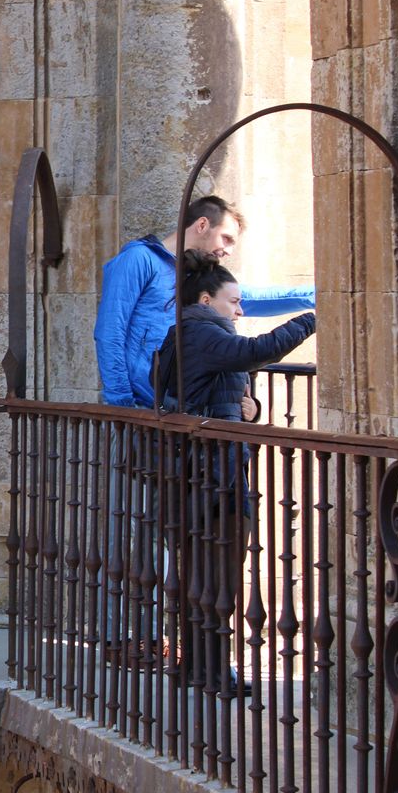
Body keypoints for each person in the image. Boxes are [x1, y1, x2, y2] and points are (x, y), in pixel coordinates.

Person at [153, 250, 317, 695]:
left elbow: (219, 395)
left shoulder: (190, 334)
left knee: (202, 575)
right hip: (212, 475)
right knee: (218, 576)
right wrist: (310, 319)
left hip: (200, 470)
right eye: (234, 302)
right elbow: (255, 352)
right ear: (206, 299)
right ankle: (212, 674)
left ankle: (198, 670)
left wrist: (253, 408)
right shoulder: (201, 334)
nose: (240, 311)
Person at [94, 195, 314, 409]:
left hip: (179, 409)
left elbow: (248, 298)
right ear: (202, 225)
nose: (228, 251)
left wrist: (316, 298)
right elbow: (111, 331)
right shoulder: (140, 258)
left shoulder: (198, 275)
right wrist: (122, 403)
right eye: (226, 238)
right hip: (141, 406)